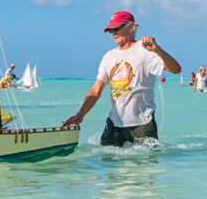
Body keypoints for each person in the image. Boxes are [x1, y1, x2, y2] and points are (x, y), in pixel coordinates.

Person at [62, 11, 181, 147]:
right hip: (114, 124)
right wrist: (80, 115)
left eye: (117, 28)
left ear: (131, 27)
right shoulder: (109, 57)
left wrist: (158, 50)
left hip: (142, 124)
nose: (113, 33)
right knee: (107, 163)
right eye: (110, 30)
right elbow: (95, 91)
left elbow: (176, 69)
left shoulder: (146, 51)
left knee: (146, 166)